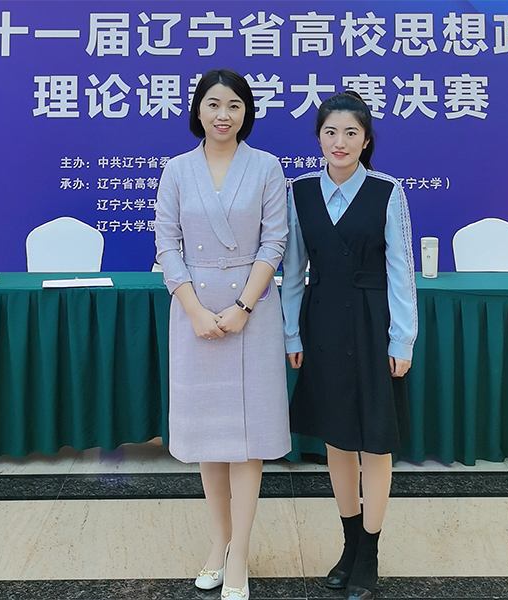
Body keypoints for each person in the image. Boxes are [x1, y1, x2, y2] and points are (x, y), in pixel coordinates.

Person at [154, 68, 290, 600]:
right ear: (198, 110)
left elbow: (274, 243)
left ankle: (240, 554)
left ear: (246, 112)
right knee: (209, 439)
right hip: (194, 313)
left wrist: (243, 307)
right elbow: (167, 245)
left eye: (234, 104)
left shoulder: (266, 167)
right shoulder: (177, 170)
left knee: (247, 441)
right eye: (213, 104)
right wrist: (193, 309)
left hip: (251, 313)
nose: (223, 115)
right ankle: (218, 543)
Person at [281, 91, 418, 600]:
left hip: (372, 324)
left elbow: (402, 271)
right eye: (330, 132)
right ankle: (349, 544)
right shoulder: (299, 192)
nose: (339, 142)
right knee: (337, 441)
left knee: (375, 443)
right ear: (318, 137)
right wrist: (291, 332)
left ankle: (370, 552)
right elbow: (292, 271)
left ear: (366, 141)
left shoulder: (387, 191)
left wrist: (402, 338)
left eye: (351, 133)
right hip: (321, 327)